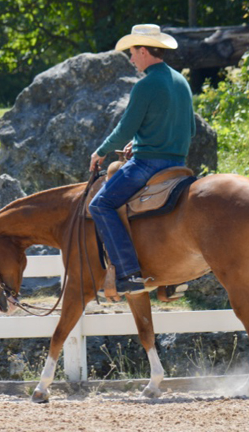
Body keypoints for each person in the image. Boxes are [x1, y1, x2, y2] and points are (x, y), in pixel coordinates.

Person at [88, 24, 196, 296]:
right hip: (180, 167)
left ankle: (128, 273)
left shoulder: (146, 85)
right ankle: (173, 276)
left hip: (148, 165)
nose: (132, 59)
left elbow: (125, 128)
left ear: (144, 50)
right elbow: (190, 130)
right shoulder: (181, 82)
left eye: (133, 52)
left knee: (100, 204)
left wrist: (100, 152)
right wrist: (139, 143)